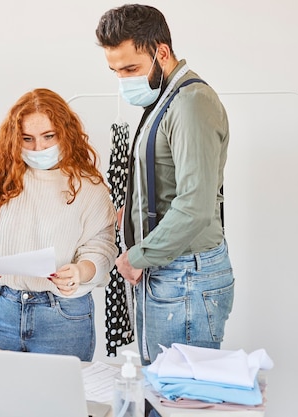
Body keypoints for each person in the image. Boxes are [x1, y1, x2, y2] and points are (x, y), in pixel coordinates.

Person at [95, 4, 234, 365]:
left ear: (161, 52)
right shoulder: (166, 99)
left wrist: (139, 256)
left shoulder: (190, 104)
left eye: (131, 69)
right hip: (170, 270)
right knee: (157, 389)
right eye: (115, 71)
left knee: (175, 399)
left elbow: (194, 205)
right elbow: (167, 180)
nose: (124, 80)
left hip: (184, 274)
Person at [0, 88, 118, 361]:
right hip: (0, 307)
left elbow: (102, 249)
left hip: (63, 316)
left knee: (58, 402)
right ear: (14, 139)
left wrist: (81, 271)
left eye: (48, 137)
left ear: (65, 134)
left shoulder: (90, 189)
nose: (39, 148)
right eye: (27, 139)